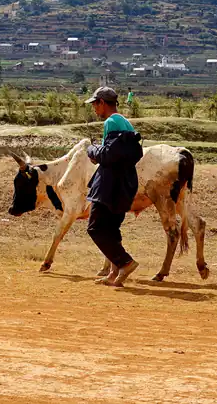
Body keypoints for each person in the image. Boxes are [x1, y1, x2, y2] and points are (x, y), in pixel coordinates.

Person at [84, 86, 143, 287]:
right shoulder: (124, 121)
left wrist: (91, 150)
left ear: (102, 103)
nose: (94, 109)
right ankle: (114, 273)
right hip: (125, 183)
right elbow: (115, 153)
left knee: (95, 228)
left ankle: (125, 262)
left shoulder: (111, 121)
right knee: (111, 228)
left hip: (109, 184)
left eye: (94, 104)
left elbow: (108, 155)